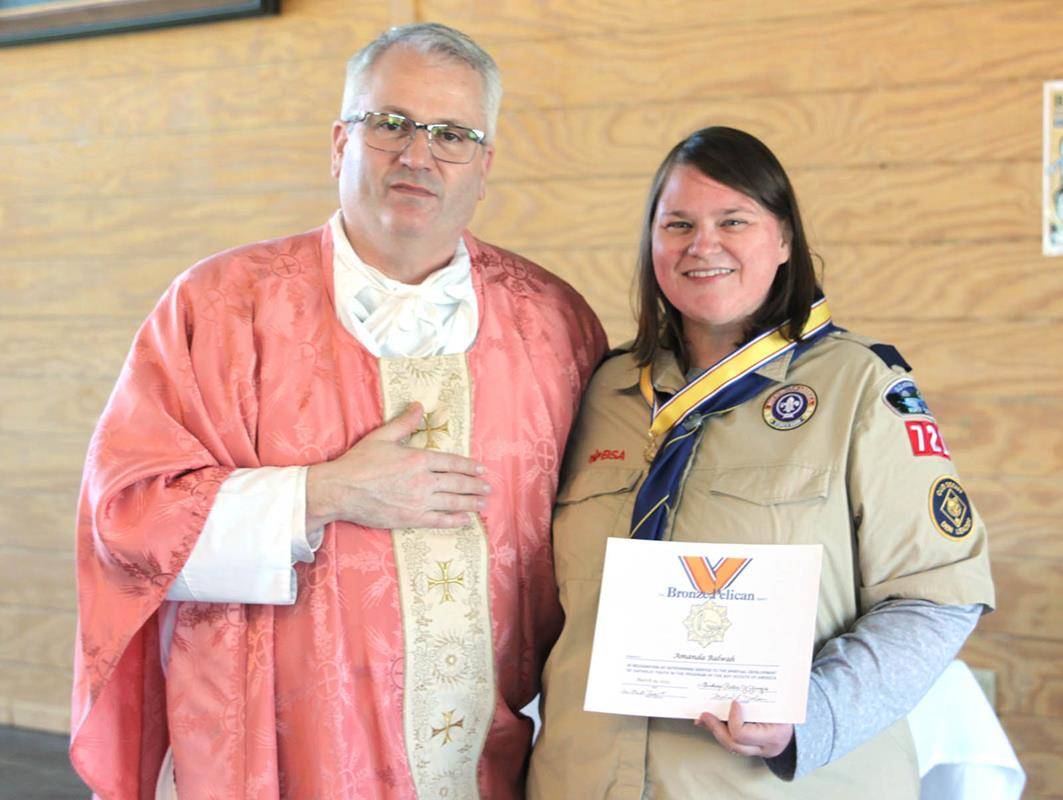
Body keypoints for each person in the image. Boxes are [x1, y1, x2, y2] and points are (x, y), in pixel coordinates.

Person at [70, 23, 606, 800]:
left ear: (483, 167)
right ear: (338, 143)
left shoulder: (554, 323)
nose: (417, 154)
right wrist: (324, 493)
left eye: (450, 134)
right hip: (285, 753)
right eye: (389, 123)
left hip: (493, 750)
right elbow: (123, 520)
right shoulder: (220, 309)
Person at [527, 126, 994, 799]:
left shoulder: (859, 388)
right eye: (677, 223)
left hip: (775, 783)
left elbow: (937, 596)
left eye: (733, 221)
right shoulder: (598, 391)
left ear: (782, 241)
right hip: (584, 778)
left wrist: (812, 713)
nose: (701, 244)